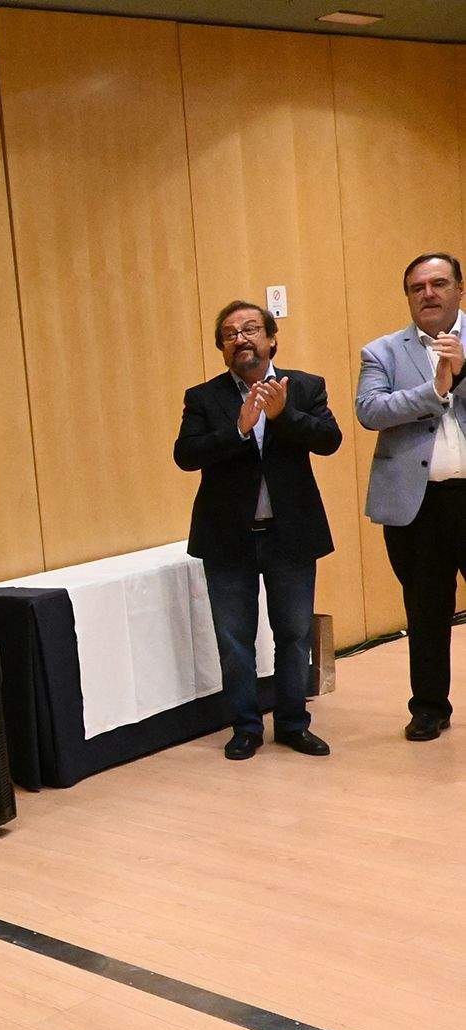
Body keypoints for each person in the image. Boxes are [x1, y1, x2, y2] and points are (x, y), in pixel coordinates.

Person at [174, 301, 341, 761]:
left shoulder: (304, 386)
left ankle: (292, 724)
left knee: (292, 634)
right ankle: (245, 727)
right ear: (222, 348)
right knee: (234, 639)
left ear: (271, 339)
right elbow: (186, 455)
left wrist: (285, 415)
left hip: (291, 536)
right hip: (228, 538)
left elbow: (330, 441)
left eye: (250, 329)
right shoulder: (203, 397)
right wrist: (239, 430)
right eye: (230, 334)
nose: (241, 338)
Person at [358, 252, 466, 741]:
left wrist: (460, 374)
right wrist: (436, 387)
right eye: (417, 287)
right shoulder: (381, 351)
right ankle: (428, 708)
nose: (429, 294)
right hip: (416, 504)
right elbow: (371, 410)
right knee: (425, 610)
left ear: (459, 289)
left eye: (439, 283)